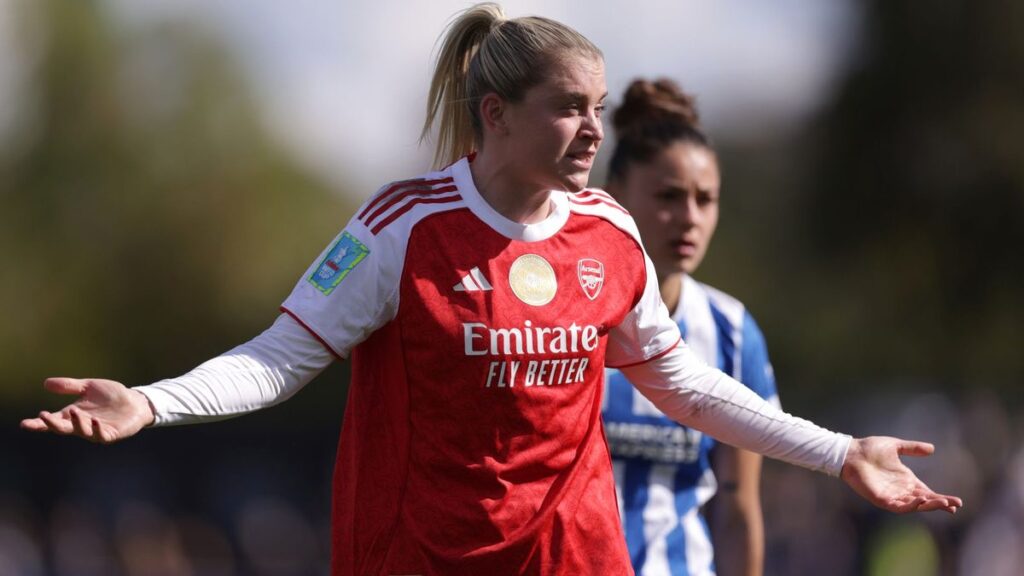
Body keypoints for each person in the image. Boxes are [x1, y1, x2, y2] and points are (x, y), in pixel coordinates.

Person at [21, 3, 961, 575]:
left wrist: (841, 452)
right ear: (497, 114)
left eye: (598, 108)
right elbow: (279, 358)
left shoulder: (610, 232)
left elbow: (681, 385)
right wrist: (149, 402)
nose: (593, 131)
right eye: (569, 108)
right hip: (419, 557)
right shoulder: (402, 227)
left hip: (575, 556)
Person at [601, 78, 775, 576]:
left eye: (706, 199)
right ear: (613, 196)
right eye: (669, 196)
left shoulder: (732, 331)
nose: (689, 217)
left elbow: (738, 509)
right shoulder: (568, 316)